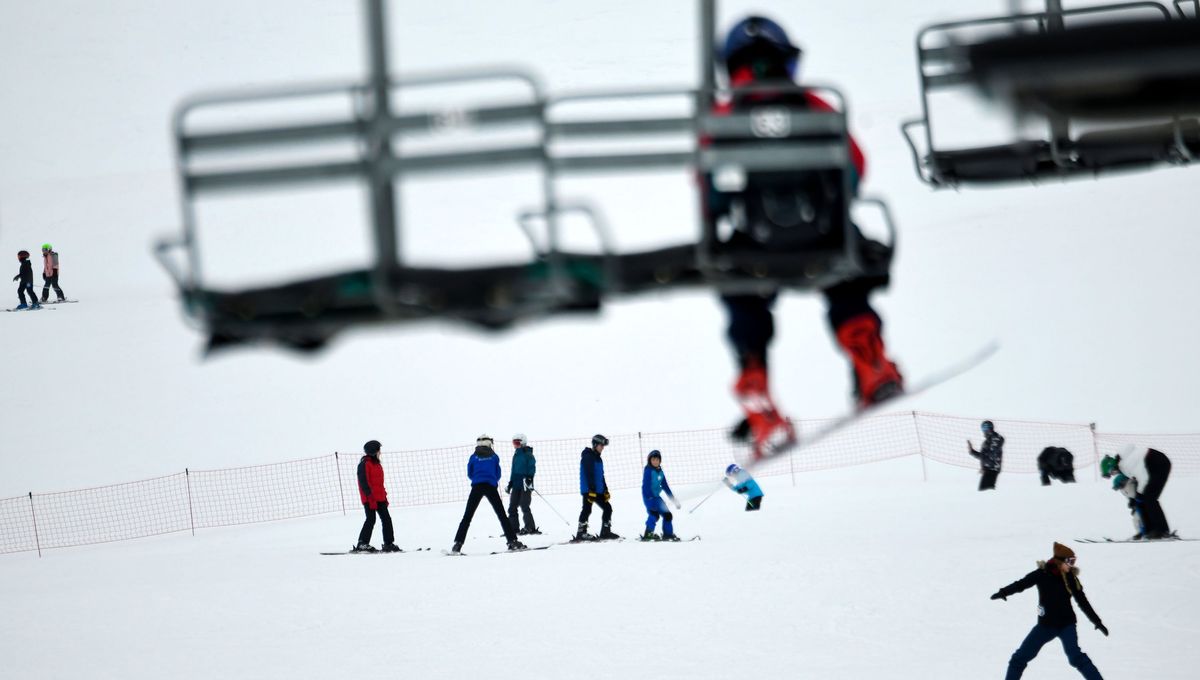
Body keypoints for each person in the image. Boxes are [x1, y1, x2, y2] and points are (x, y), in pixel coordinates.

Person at [706, 16, 904, 461]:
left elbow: (711, 189)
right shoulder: (817, 105)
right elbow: (854, 168)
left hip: (756, 249)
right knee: (846, 277)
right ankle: (868, 357)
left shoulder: (724, 117)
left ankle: (756, 384)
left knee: (742, 292)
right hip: (824, 239)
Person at [990, 542, 1107, 680]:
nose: (1072, 565)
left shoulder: (1070, 578)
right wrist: (1004, 592)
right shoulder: (1041, 574)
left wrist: (1097, 621)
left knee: (1075, 657)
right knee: (1019, 658)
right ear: (1059, 561)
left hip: (1067, 625)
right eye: (1070, 561)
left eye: (1073, 561)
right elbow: (1021, 584)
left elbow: (1082, 601)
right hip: (1045, 626)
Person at [451, 435, 525, 553]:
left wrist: (477, 478)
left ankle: (457, 544)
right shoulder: (494, 456)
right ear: (489, 443)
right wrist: (491, 479)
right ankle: (512, 541)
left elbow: (470, 473)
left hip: (476, 486)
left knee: (467, 516)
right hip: (491, 486)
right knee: (502, 515)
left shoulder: (473, 457)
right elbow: (498, 473)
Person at [1100, 445, 1172, 539]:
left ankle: (1162, 531)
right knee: (1146, 499)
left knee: (1149, 499)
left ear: (1112, 465)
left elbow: (1143, 477)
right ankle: (1150, 530)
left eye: (1112, 472)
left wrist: (1139, 494)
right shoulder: (1124, 461)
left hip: (1157, 464)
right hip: (1156, 464)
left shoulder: (1126, 464)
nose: (1114, 474)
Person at [354, 440, 399, 553]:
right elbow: (364, 483)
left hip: (379, 498)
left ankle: (388, 543)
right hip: (370, 498)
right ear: (374, 451)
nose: (380, 452)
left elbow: (379, 483)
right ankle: (362, 543)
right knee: (371, 519)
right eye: (379, 450)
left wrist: (384, 496)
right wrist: (370, 498)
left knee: (386, 519)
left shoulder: (377, 465)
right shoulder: (364, 464)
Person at [576, 434, 620, 541]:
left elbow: (601, 476)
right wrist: (591, 489)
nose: (603, 448)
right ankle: (581, 533)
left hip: (598, 490)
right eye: (601, 445)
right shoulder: (588, 457)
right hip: (589, 490)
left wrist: (605, 490)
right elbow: (588, 473)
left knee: (608, 508)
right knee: (587, 509)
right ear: (595, 445)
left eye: (603, 446)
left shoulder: (598, 459)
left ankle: (605, 531)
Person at [641, 450, 681, 541]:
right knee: (654, 515)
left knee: (668, 515)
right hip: (648, 497)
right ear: (650, 460)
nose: (655, 461)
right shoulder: (648, 471)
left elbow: (665, 486)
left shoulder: (660, 472)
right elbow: (646, 486)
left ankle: (668, 534)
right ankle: (648, 534)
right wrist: (650, 499)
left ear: (660, 461)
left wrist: (673, 499)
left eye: (657, 459)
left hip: (657, 498)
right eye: (653, 459)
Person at [505, 433, 539, 535]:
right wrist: (511, 483)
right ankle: (513, 528)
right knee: (512, 507)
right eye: (514, 443)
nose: (515, 445)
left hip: (525, 484)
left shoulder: (528, 454)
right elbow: (513, 471)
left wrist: (529, 478)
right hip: (516, 484)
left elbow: (532, 467)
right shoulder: (516, 455)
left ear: (522, 442)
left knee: (524, 505)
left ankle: (530, 527)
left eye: (517, 443)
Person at [968, 420, 1004, 490]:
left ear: (991, 427)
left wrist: (986, 464)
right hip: (987, 469)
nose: (984, 430)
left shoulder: (996, 438)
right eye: (983, 428)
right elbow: (984, 456)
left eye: (986, 428)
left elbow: (992, 454)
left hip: (992, 469)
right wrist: (972, 452)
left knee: (985, 490)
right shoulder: (987, 441)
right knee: (985, 491)